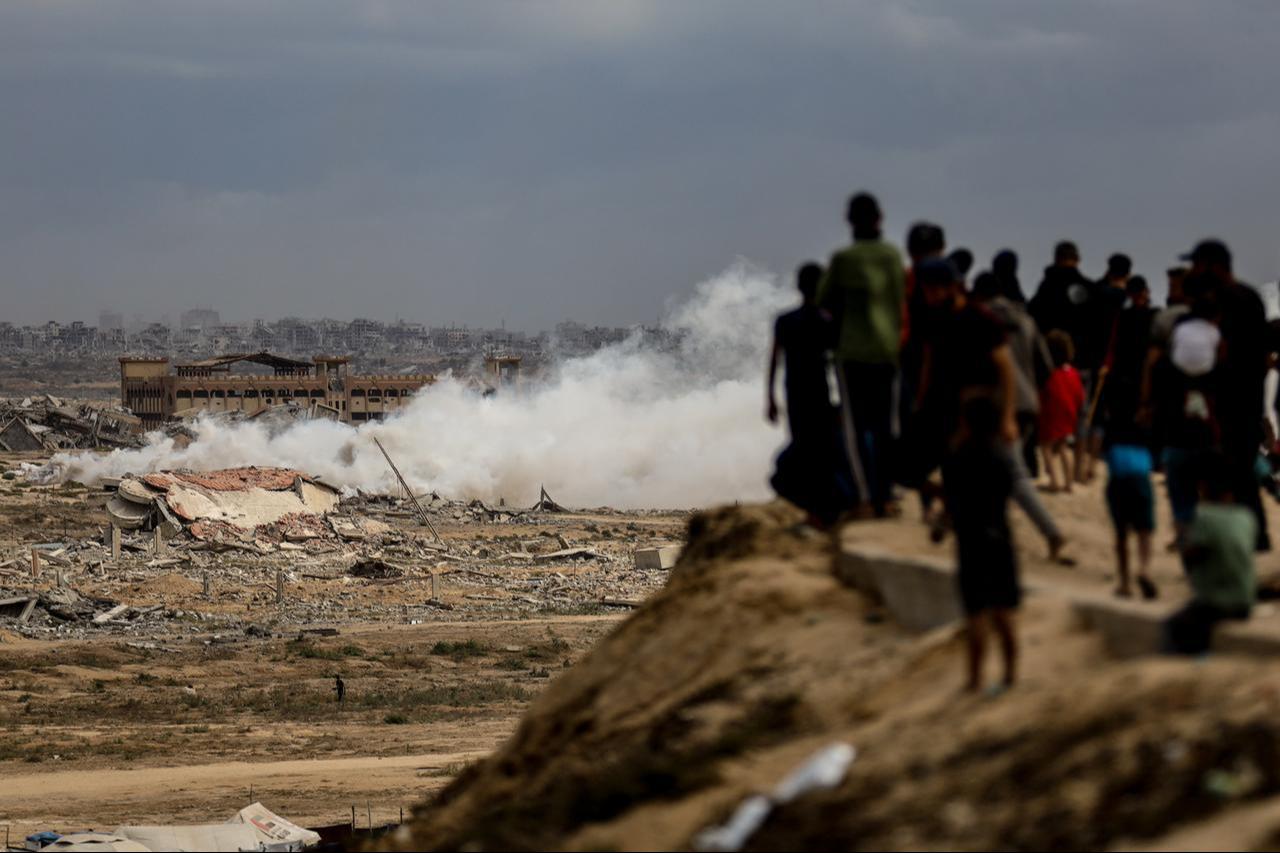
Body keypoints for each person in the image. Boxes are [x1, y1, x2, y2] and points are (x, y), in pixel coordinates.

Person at [971, 272, 1070, 563]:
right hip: (1028, 403)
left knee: (1012, 473)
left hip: (999, 404)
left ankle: (1051, 532)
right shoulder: (1026, 320)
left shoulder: (981, 319)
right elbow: (1046, 367)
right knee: (995, 470)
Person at [818, 193, 906, 517]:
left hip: (852, 354)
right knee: (886, 427)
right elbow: (901, 301)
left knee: (856, 429)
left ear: (849, 221)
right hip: (887, 351)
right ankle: (887, 495)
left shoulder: (844, 259)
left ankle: (865, 499)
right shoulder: (892, 256)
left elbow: (823, 302)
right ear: (880, 219)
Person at [1184, 239, 1271, 552]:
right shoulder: (1249, 297)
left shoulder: (1225, 301)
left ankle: (1246, 540)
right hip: (1247, 400)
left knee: (1231, 470)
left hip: (1230, 401)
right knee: (1241, 472)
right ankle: (1255, 538)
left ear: (1213, 266)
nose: (1194, 271)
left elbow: (1220, 354)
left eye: (1197, 264)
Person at [767, 263, 856, 526]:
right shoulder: (827, 321)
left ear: (799, 287)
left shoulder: (786, 321)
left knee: (805, 455)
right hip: (820, 396)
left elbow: (774, 360)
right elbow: (840, 364)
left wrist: (770, 398)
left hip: (796, 397)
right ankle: (828, 510)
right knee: (823, 455)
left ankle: (821, 511)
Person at [943, 393, 1020, 692]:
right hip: (1000, 537)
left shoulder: (957, 457)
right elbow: (1008, 491)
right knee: (1004, 613)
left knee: (975, 614)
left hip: (970, 540)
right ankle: (1010, 675)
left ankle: (974, 679)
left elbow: (951, 502)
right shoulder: (1001, 456)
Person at [1164, 454, 1256, 655]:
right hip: (1245, 601)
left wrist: (1182, 537)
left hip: (1217, 602)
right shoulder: (1246, 517)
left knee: (1175, 625)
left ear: (1203, 489)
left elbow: (1191, 556)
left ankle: (1191, 658)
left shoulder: (1205, 516)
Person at [1104, 427, 1158, 600]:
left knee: (1121, 533)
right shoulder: (1144, 426)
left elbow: (1102, 446)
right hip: (1141, 476)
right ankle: (1144, 569)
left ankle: (1125, 583)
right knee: (1145, 530)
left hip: (1118, 477)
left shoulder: (1112, 425)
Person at [1038, 331, 1085, 494]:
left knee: (1046, 446)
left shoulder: (1050, 374)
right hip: (1069, 413)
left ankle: (1054, 481)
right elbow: (1080, 395)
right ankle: (1069, 483)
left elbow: (1044, 393)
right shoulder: (1073, 373)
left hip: (1051, 412)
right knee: (1064, 446)